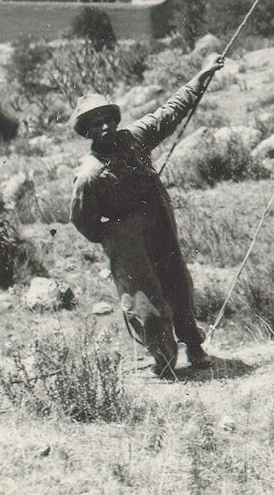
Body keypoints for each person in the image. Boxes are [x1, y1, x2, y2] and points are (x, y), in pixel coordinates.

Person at [69, 52, 229, 378]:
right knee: (143, 301)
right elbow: (82, 219)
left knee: (177, 283)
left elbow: (170, 111)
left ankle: (193, 345)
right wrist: (112, 236)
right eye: (96, 123)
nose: (106, 127)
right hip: (124, 237)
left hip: (157, 220)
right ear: (87, 132)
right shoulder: (88, 174)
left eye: (109, 119)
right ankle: (165, 360)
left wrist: (202, 75)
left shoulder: (136, 137)